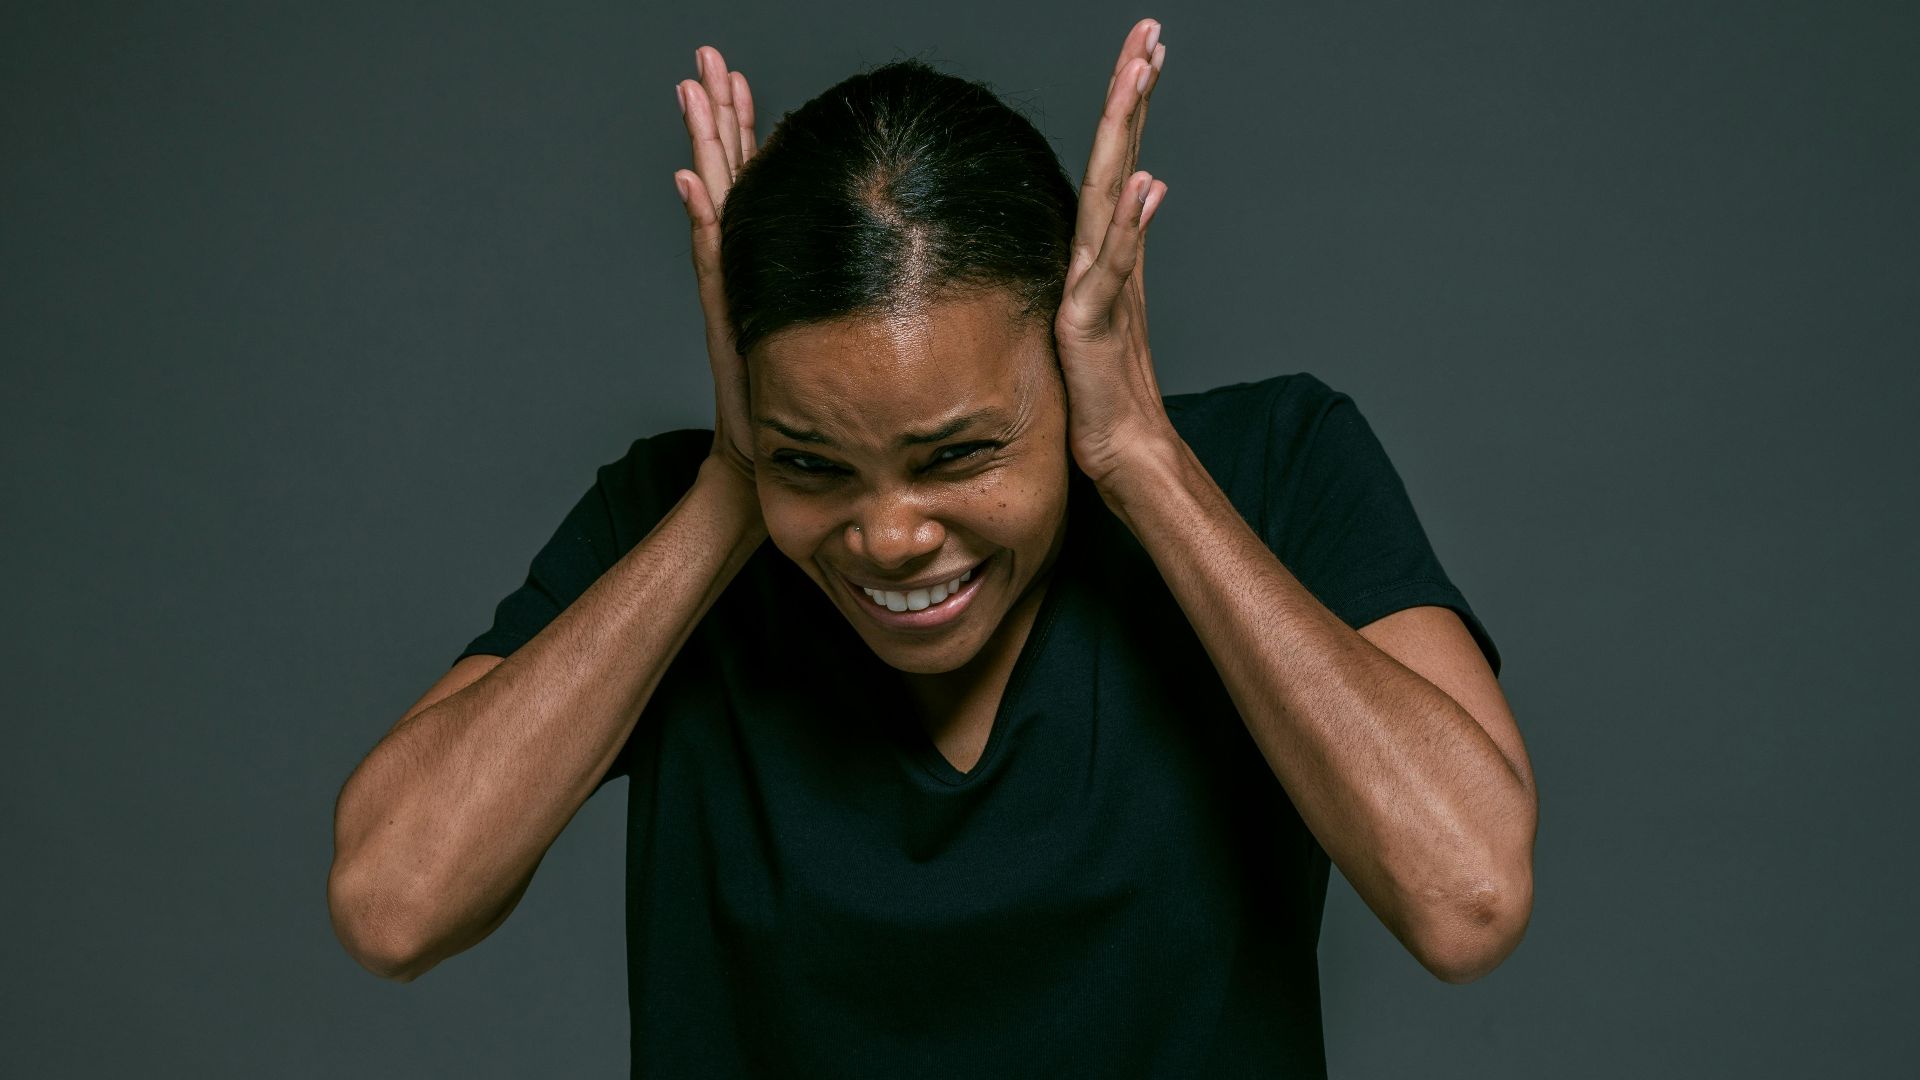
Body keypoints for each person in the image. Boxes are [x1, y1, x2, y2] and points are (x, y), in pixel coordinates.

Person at [328, 18, 1538, 1077]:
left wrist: (1144, 461)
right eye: (819, 463)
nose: (891, 536)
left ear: (1068, 362)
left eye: (959, 456)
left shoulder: (1274, 468)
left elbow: (1467, 895)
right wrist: (732, 489)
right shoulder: (679, 512)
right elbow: (394, 903)